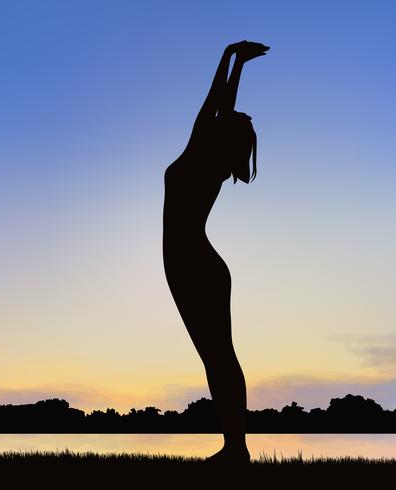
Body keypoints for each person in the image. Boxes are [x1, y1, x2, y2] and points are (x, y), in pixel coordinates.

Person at [162, 41, 269, 464]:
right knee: (218, 356)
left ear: (218, 134)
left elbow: (215, 105)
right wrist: (237, 64)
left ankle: (236, 449)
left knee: (218, 356)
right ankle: (235, 447)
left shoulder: (197, 158)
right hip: (198, 264)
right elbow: (222, 110)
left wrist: (228, 58)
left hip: (191, 264)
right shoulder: (213, 165)